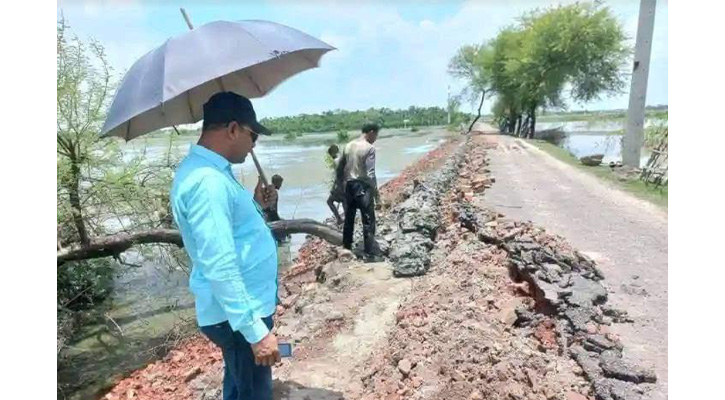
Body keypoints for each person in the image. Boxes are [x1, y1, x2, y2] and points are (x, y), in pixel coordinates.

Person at [170, 92, 280, 400]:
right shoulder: (208, 182)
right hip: (238, 316)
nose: (254, 144)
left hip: (238, 311)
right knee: (253, 393)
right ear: (233, 129)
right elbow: (219, 263)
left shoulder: (213, 173)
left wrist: (256, 204)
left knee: (239, 383)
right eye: (252, 135)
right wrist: (255, 332)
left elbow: (229, 230)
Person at [337, 123, 382, 262]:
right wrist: (376, 194)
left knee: (349, 218)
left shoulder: (349, 145)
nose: (375, 138)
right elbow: (370, 173)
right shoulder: (370, 148)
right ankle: (369, 254)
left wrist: (340, 186)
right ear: (371, 132)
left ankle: (346, 248)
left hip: (349, 185)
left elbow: (340, 168)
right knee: (368, 220)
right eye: (376, 135)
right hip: (363, 186)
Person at [264, 174, 290, 244]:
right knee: (284, 225)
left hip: (267, 214)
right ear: (277, 183)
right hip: (270, 216)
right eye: (280, 183)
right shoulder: (274, 192)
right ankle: (280, 240)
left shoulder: (268, 189)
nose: (281, 185)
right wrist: (278, 219)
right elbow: (271, 209)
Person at [325, 145, 345, 225]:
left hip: (340, 186)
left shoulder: (336, 161)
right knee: (345, 201)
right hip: (347, 184)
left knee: (329, 201)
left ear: (332, 153)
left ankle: (339, 218)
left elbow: (338, 176)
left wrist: (333, 188)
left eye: (330, 155)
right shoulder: (343, 159)